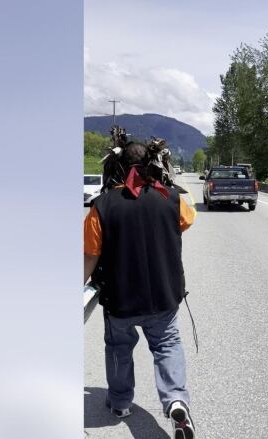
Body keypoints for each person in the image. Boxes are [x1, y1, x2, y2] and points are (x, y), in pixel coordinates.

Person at [84, 140, 197, 438]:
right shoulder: (171, 199)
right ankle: (175, 401)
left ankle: (121, 403)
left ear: (115, 167)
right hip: (163, 294)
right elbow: (187, 221)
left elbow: (91, 256)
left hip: (120, 298)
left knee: (119, 349)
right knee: (167, 345)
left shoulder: (102, 206)